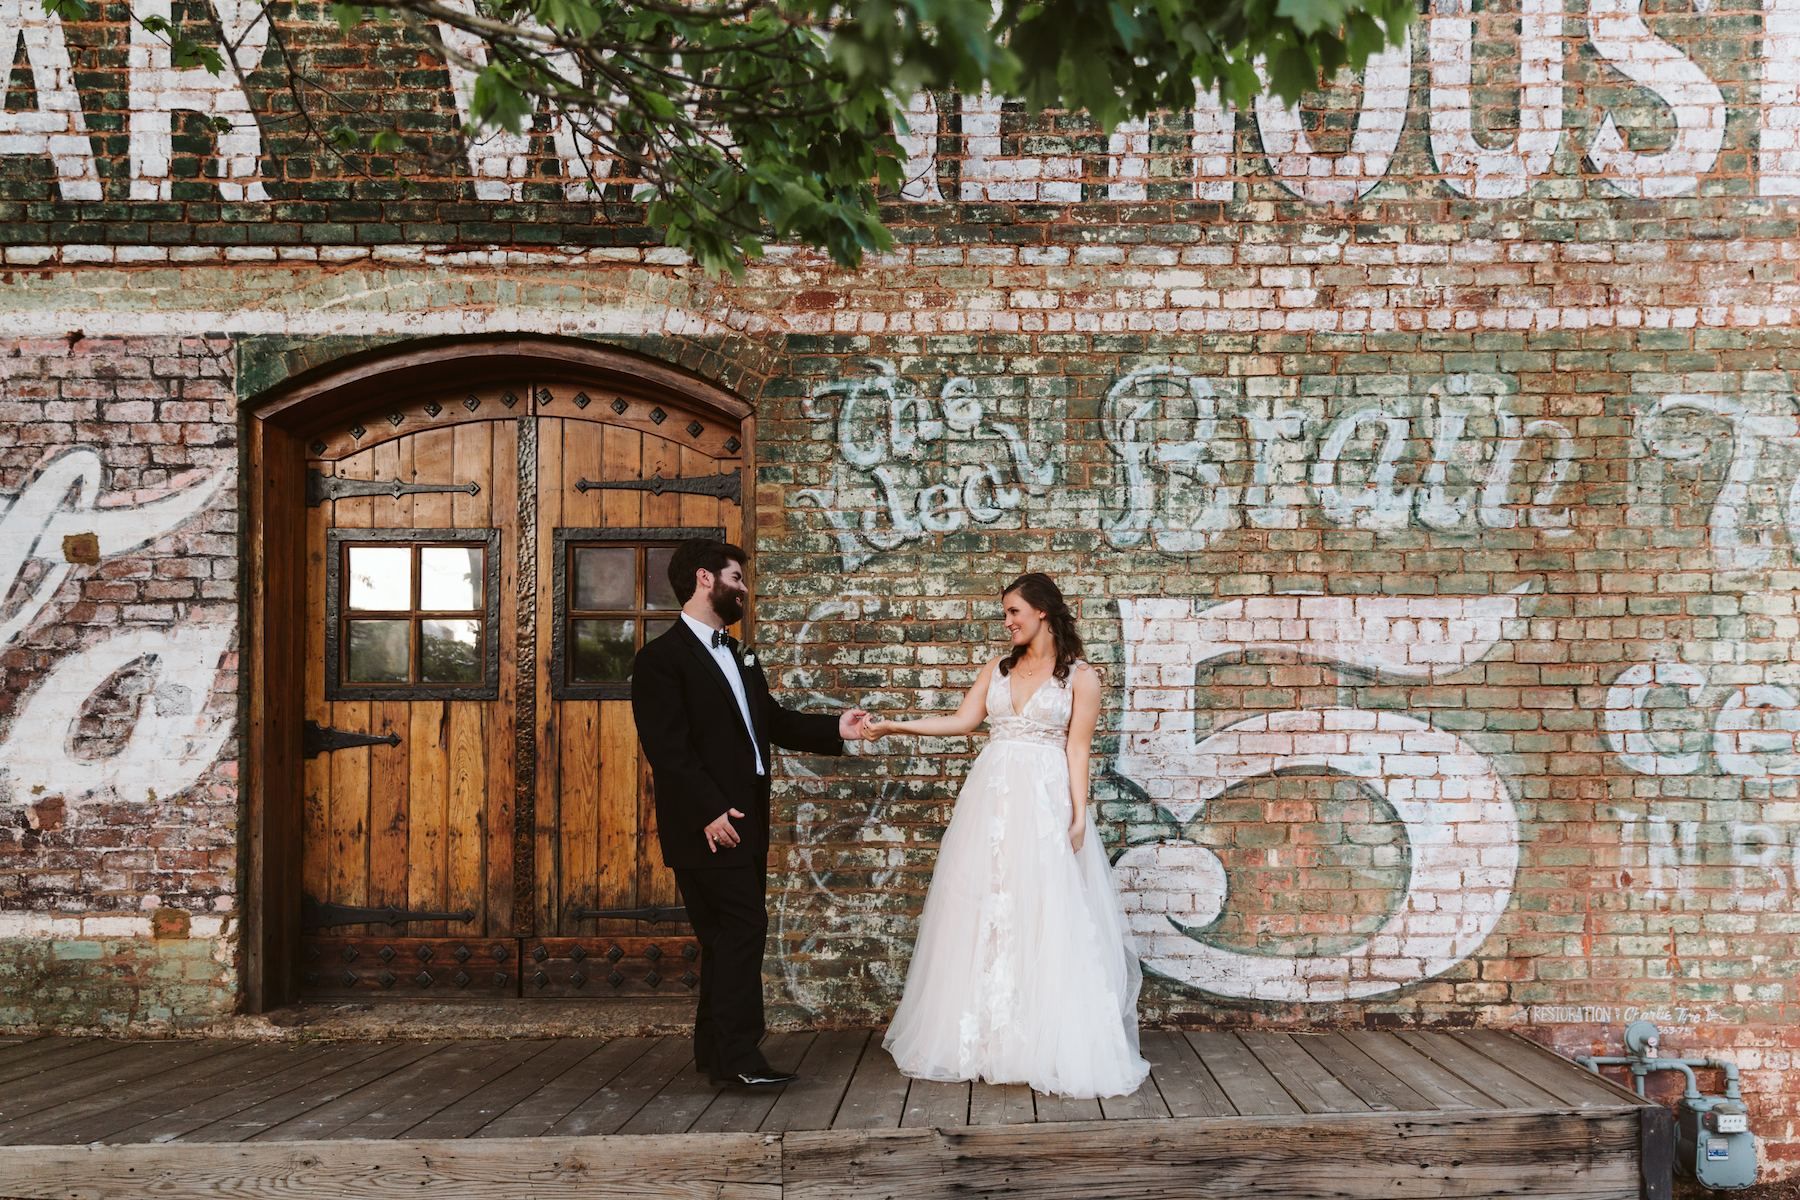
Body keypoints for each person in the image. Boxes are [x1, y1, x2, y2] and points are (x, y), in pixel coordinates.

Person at [867, 572, 1150, 1099]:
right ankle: (988, 1039)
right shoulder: (996, 669)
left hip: (1043, 802)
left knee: (1045, 912)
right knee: (986, 913)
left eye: (1014, 611)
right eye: (1006, 613)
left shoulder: (1080, 678)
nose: (1008, 621)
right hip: (991, 803)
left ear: (1042, 611)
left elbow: (1079, 749)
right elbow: (961, 722)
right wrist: (894, 726)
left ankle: (1045, 1040)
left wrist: (1079, 814)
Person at [631, 538, 868, 1089]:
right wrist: (710, 811)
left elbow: (774, 721)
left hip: (745, 823)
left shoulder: (739, 654)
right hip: (708, 826)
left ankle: (717, 1055)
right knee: (743, 928)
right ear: (705, 580)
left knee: (723, 937)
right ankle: (741, 1058)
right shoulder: (660, 660)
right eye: (736, 577)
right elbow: (668, 749)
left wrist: (837, 728)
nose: (743, 588)